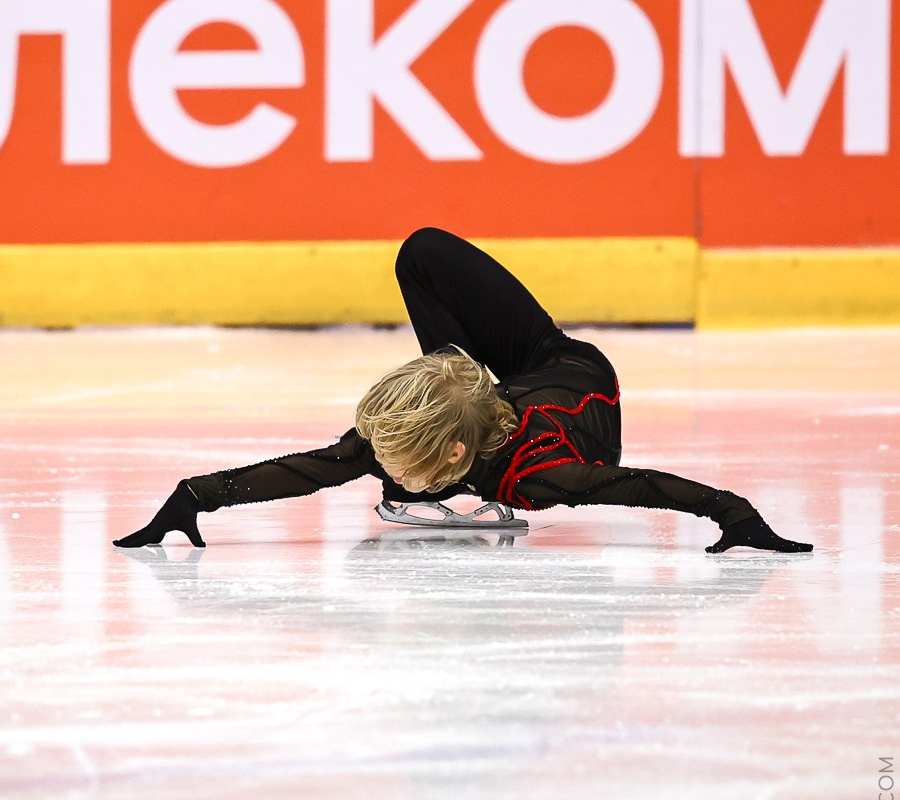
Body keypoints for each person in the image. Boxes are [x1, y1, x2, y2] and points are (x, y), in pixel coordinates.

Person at [112, 229, 813, 554]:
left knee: (420, 454)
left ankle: (453, 402)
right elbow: (315, 468)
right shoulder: (419, 446)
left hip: (574, 380)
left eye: (396, 462)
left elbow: (645, 486)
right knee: (421, 251)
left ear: (452, 454)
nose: (377, 469)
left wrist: (735, 514)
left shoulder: (542, 475)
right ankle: (449, 388)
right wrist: (193, 495)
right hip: (519, 374)